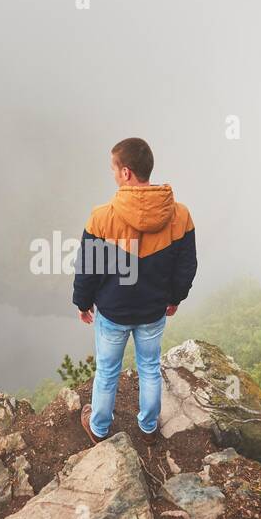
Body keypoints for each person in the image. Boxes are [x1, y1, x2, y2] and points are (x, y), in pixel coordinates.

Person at [72, 137, 197, 443]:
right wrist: (174, 298)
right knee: (150, 368)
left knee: (107, 372)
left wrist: (82, 302)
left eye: (114, 169)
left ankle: (99, 429)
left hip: (113, 312)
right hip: (153, 310)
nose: (114, 175)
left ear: (126, 172)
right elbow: (187, 265)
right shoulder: (179, 216)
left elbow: (88, 268)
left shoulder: (101, 218)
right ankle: (149, 427)